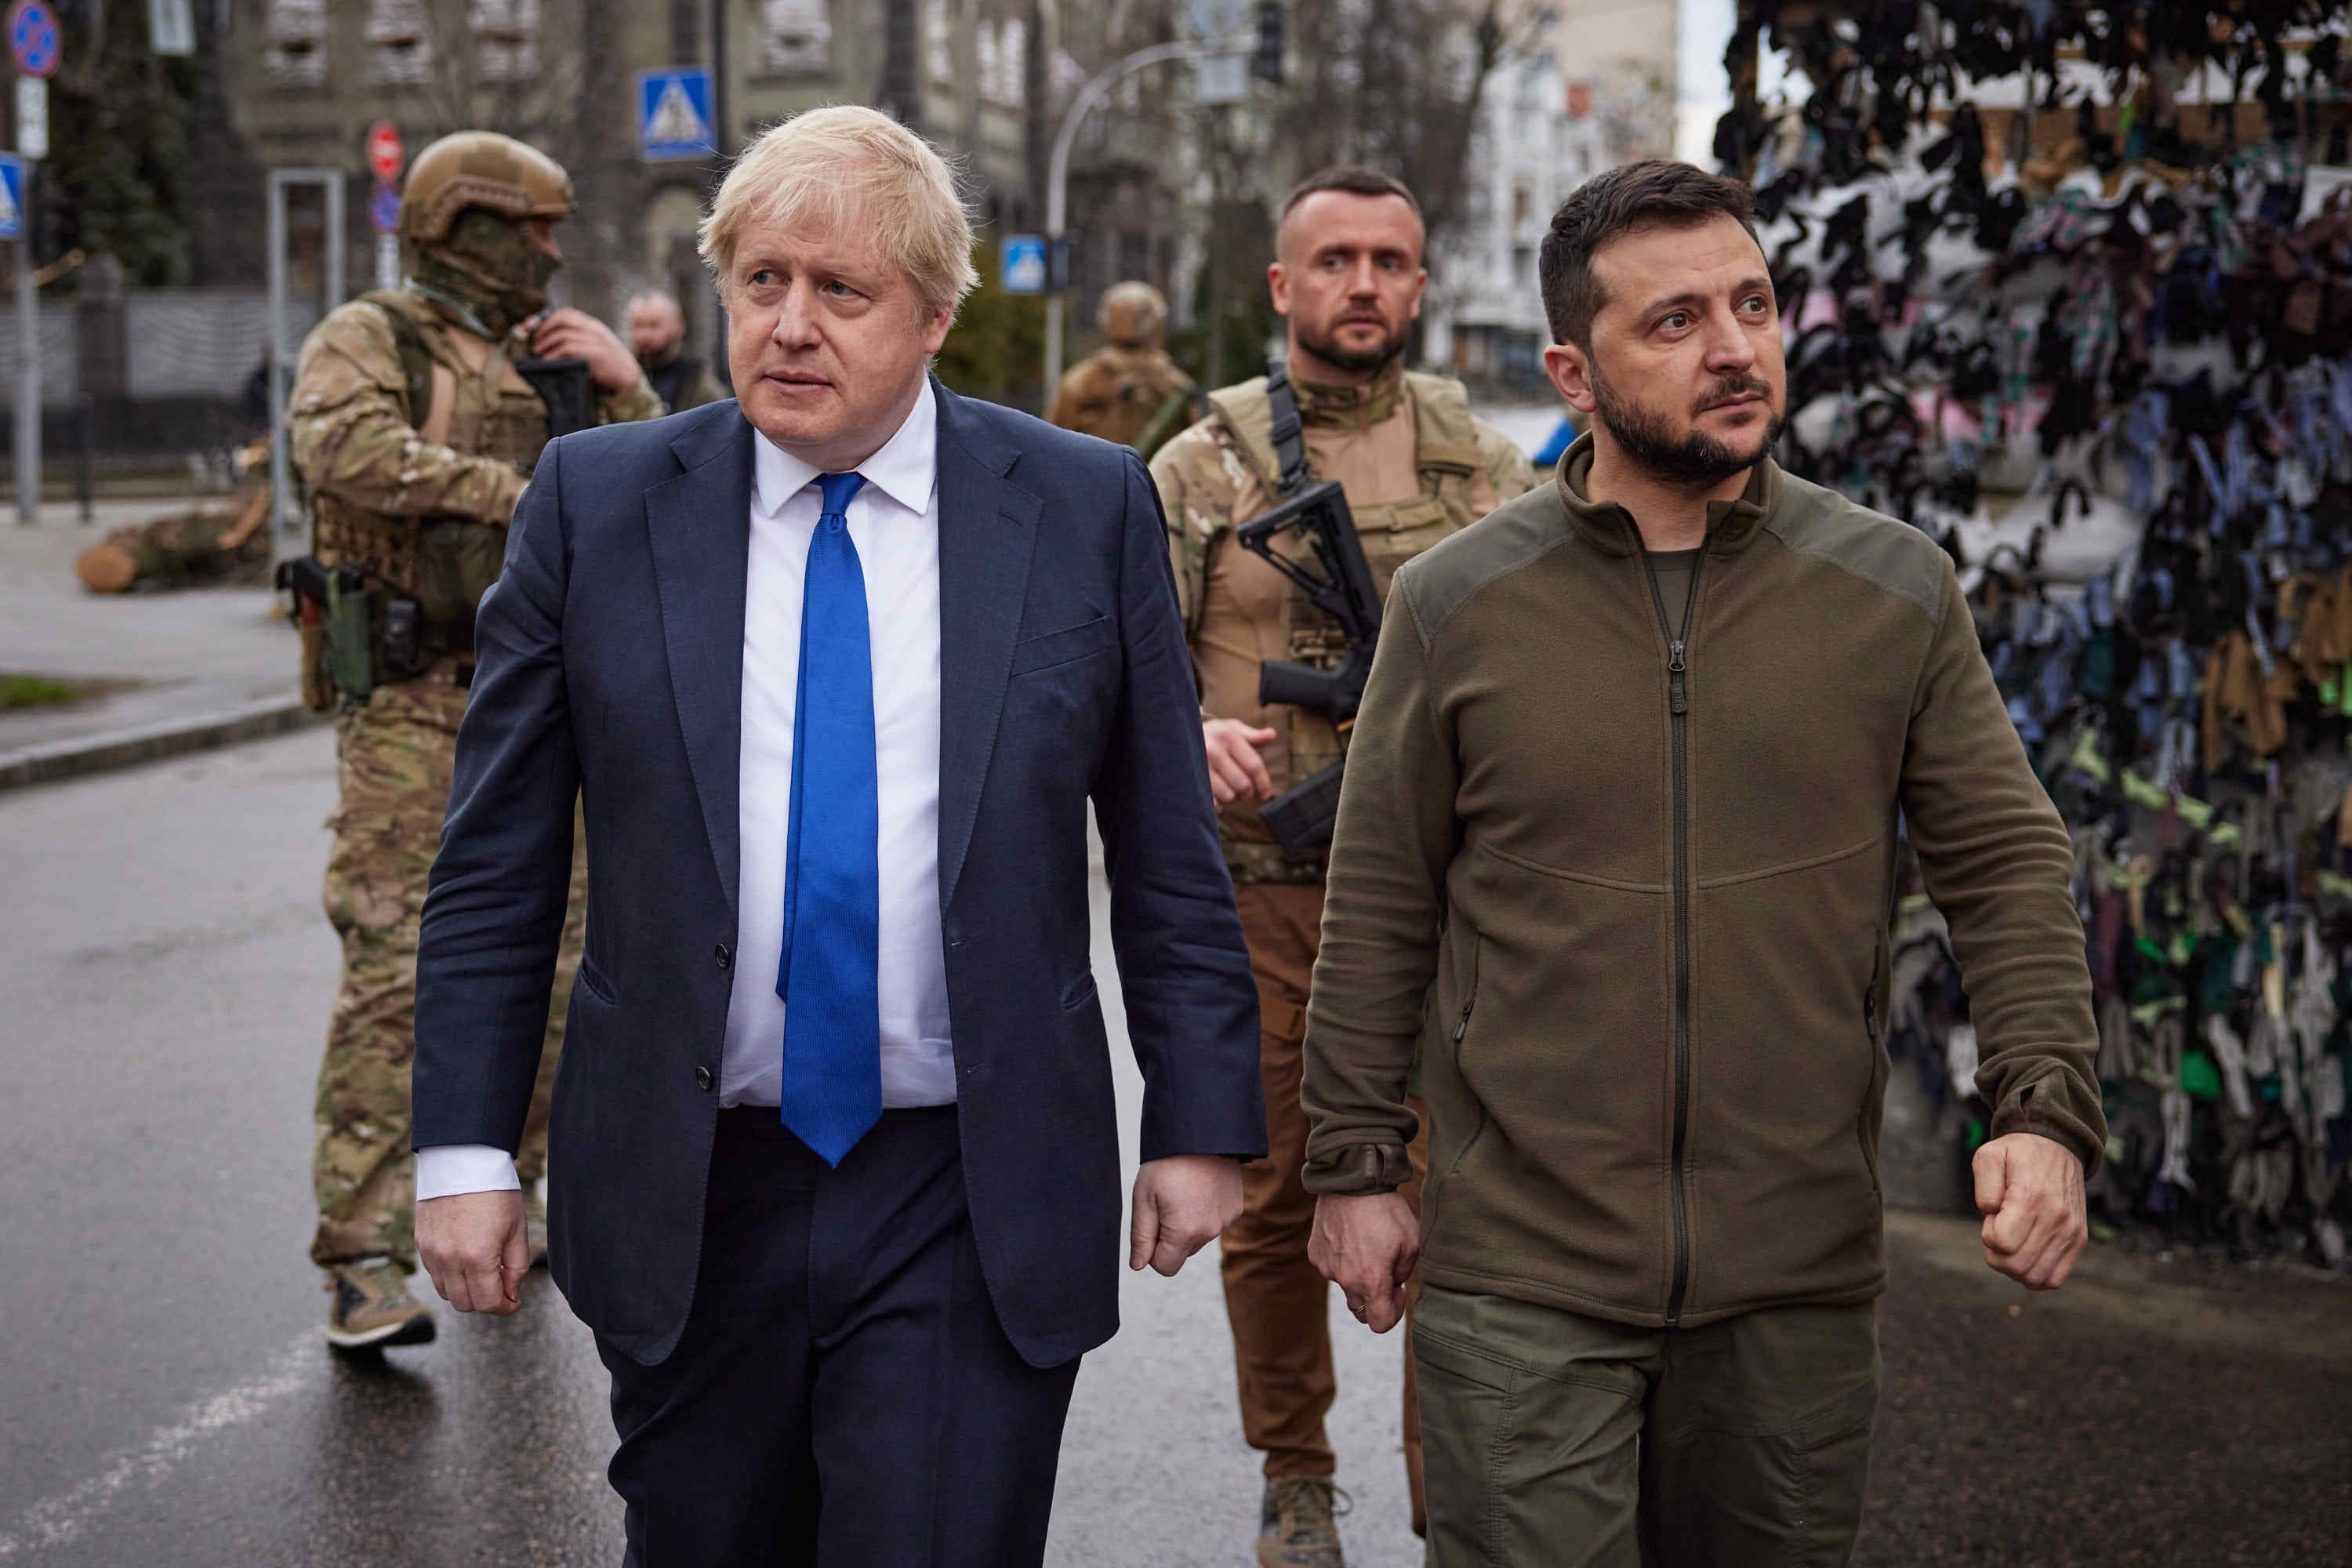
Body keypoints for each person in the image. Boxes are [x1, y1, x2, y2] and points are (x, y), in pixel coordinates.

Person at [408, 105, 1265, 1566]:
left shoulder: (1076, 506)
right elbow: (494, 860)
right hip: (693, 1179)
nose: (789, 326)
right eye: (760, 282)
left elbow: (1168, 850)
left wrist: (1199, 1117)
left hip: (966, 1180)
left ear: (934, 316)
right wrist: (464, 1149)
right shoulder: (599, 506)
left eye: (841, 291)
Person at [1302, 160, 2107, 1566]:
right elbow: (1380, 896)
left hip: (1790, 1274)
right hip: (1522, 1273)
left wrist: (2041, 1108)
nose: (1735, 348)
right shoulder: (1458, 606)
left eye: (1752, 304)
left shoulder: (1890, 590)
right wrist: (1355, 1163)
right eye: (1674, 321)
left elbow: (2006, 862)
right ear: (1573, 370)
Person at [1150, 165, 1534, 1568]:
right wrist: (1187, 734)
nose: (1362, 284)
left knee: (1461, 1207)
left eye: (1389, 259)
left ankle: (1457, 1501)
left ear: (1421, 287)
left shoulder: (1484, 468)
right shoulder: (1201, 468)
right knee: (1274, 1197)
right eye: (1335, 260)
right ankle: (1295, 1474)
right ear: (1282, 287)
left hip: (1447, 901)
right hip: (1257, 886)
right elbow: (1120, 666)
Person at [288, 129, 661, 1352]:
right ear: (464, 228)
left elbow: (665, 486)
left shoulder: (544, 356)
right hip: (413, 704)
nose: (552, 253)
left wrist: (623, 385)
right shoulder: (373, 337)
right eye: (532, 229)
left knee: (561, 969)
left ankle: (513, 1190)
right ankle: (361, 1252)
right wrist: (528, 497)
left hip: (544, 702)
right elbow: (341, 451)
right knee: (401, 978)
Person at [1045, 281, 1199, 457]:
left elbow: (1051, 443)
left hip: (1094, 480)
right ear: (1156, 322)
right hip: (1155, 481)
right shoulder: (1176, 385)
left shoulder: (1081, 381)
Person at [628, 289, 728, 413]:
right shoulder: (621, 380)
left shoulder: (700, 389)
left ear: (679, 326)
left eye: (654, 325)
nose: (644, 336)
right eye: (638, 326)